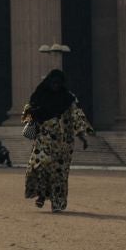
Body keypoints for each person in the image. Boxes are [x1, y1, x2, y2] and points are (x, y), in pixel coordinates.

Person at [21, 69, 94, 212]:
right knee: (38, 167)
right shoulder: (39, 95)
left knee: (59, 175)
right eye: (53, 83)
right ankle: (41, 194)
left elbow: (76, 116)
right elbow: (28, 112)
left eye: (58, 83)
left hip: (63, 144)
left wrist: (82, 137)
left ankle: (57, 204)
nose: (56, 86)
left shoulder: (68, 98)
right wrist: (31, 117)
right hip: (44, 140)